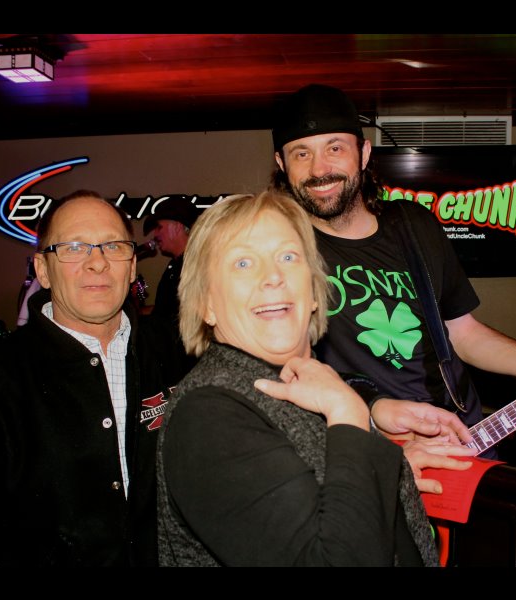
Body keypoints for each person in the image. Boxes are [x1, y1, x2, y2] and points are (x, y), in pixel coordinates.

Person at [270, 84, 516, 470]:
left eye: (335, 148)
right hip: (366, 453)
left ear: (363, 153)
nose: (319, 169)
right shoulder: (277, 250)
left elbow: (462, 334)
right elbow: (282, 373)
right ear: (282, 163)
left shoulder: (413, 225)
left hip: (461, 437)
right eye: (302, 153)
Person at [157, 190, 453, 566]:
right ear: (207, 305)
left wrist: (391, 460)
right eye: (243, 263)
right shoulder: (208, 416)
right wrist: (349, 413)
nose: (273, 277)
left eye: (287, 257)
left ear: (314, 289)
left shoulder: (305, 385)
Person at [0, 190, 188, 566]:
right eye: (74, 248)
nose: (97, 263)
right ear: (42, 270)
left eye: (113, 246)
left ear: (133, 265)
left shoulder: (177, 355)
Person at [142, 197, 201, 325]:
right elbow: (166, 310)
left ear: (177, 227)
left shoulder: (197, 266)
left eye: (159, 227)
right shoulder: (175, 264)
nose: (155, 235)